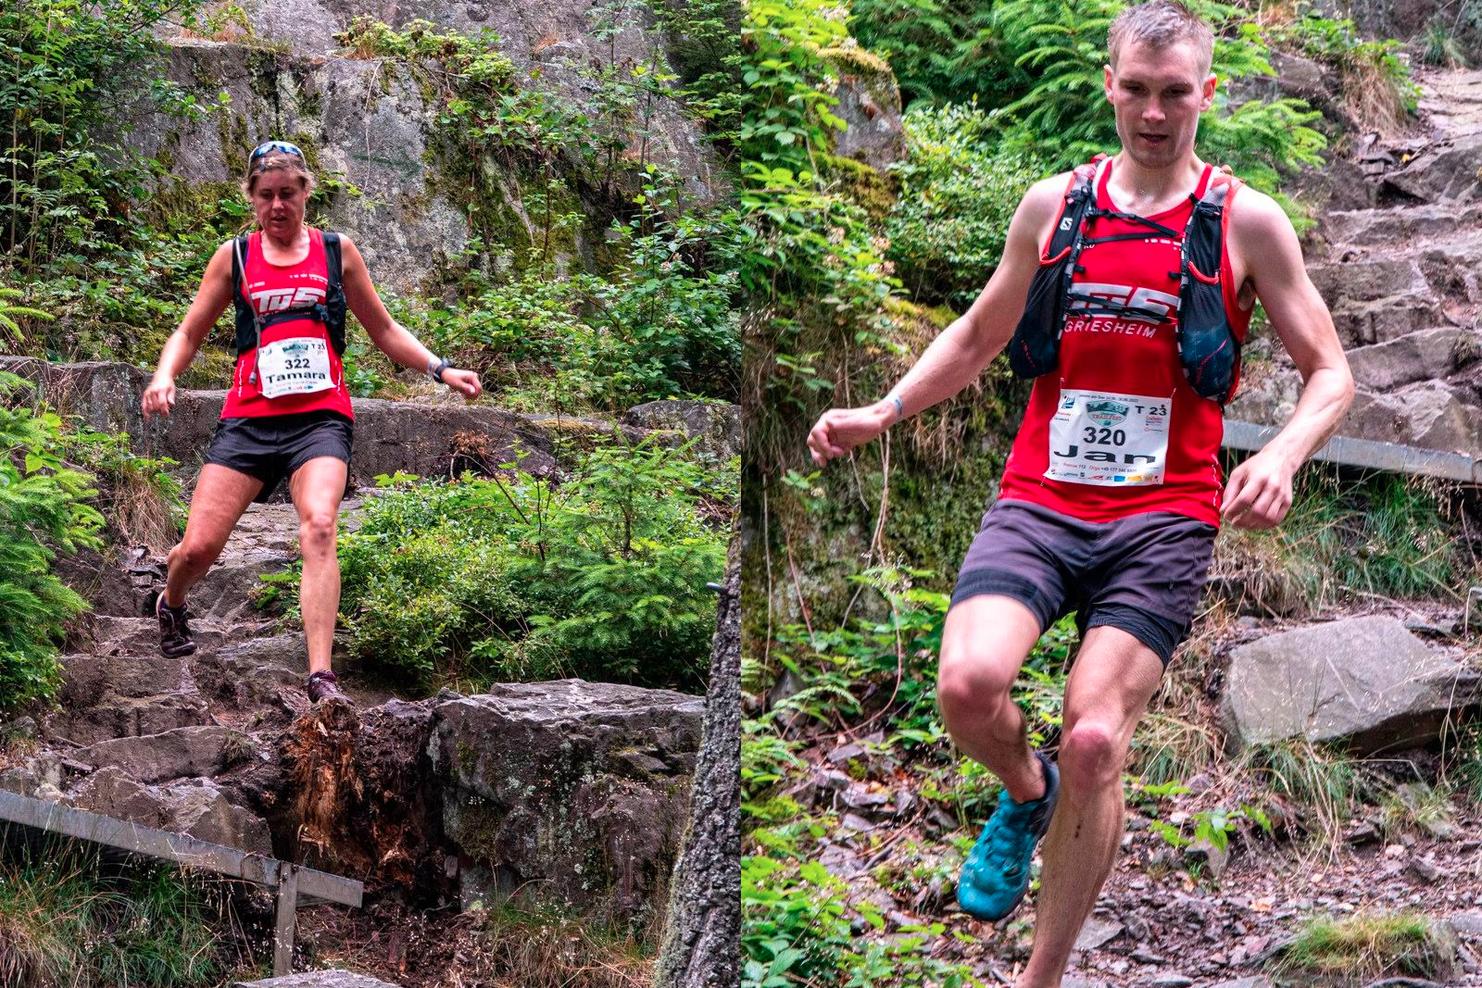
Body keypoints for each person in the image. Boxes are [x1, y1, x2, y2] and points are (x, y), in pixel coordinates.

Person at [805, 3, 1353, 985]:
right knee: (968, 688)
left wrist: (1285, 454)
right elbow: (977, 337)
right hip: (1041, 501)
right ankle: (1025, 788)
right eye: (1136, 89)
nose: (1153, 111)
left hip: (1163, 517)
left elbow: (1331, 372)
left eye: (1174, 91)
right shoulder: (1053, 207)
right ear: (1110, 83)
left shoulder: (1245, 222)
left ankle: (1041, 976)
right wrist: (883, 410)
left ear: (1205, 92)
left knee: (1097, 733)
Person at [141, 140, 482, 705]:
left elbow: (385, 330)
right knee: (197, 550)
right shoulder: (235, 258)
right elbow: (188, 332)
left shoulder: (335, 252)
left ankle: (321, 674)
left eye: (288, 193)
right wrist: (164, 375)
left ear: (305, 193)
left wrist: (440, 368)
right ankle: (172, 602)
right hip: (248, 421)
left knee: (320, 524)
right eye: (266, 195)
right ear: (251, 199)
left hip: (320, 420)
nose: (278, 205)